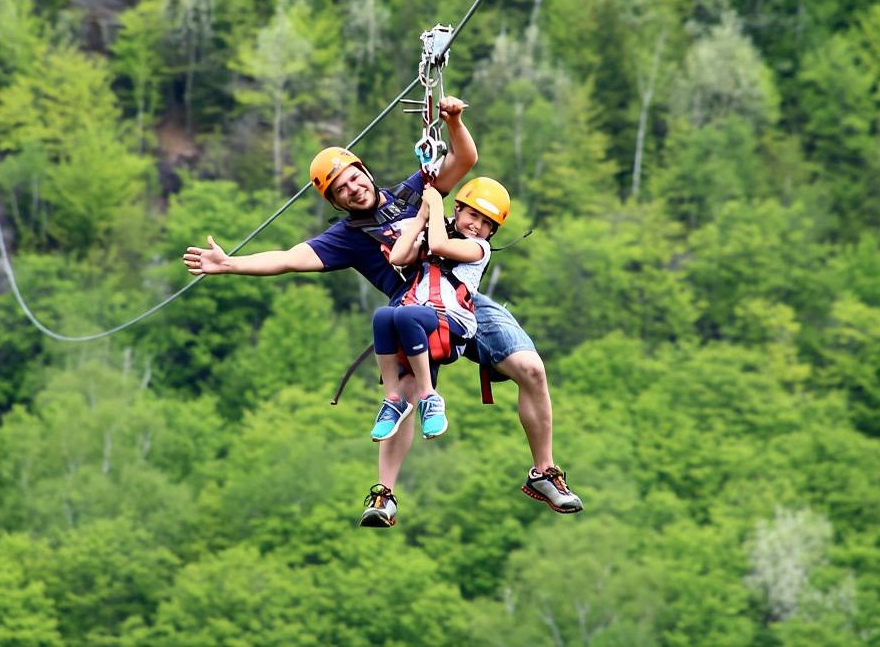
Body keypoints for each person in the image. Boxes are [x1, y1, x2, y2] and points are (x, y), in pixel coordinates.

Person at [183, 97, 583, 528]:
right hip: (412, 306)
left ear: (365, 172)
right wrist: (230, 265)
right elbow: (288, 258)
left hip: (462, 297)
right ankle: (384, 493)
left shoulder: (411, 193)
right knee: (405, 396)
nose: (353, 188)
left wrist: (454, 121)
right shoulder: (348, 237)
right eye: (342, 190)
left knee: (532, 369)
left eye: (354, 178)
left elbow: (464, 158)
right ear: (336, 201)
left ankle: (544, 471)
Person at [368, 178, 504, 446]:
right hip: (423, 320)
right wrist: (422, 217)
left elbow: (441, 246)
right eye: (473, 215)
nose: (477, 225)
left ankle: (429, 395)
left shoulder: (479, 248)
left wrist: (435, 204)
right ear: (459, 209)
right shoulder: (433, 234)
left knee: (406, 315)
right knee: (383, 316)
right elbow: (397, 258)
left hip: (452, 325)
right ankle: (393, 398)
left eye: (486, 223)